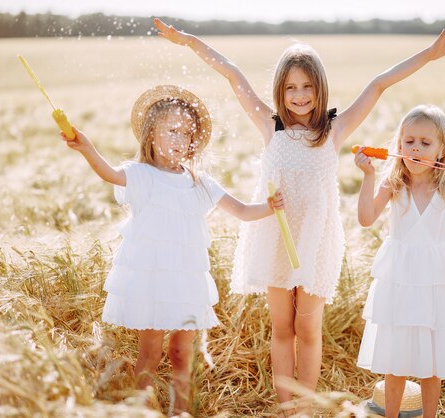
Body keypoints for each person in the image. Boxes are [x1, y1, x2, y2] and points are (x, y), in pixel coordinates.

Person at [154, 18, 445, 416]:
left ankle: (307, 408)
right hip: (275, 237)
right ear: (280, 91)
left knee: (308, 330)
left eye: (307, 86)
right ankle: (287, 409)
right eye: (290, 87)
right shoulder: (271, 127)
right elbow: (232, 74)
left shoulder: (335, 130)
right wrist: (190, 41)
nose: (299, 96)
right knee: (282, 329)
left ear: (320, 89)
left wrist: (430, 54)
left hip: (317, 242)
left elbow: (380, 83)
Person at [60, 85, 284, 414]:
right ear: (151, 134)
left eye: (188, 134)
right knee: (149, 354)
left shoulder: (200, 182)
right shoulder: (140, 175)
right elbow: (108, 173)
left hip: (187, 281)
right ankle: (143, 410)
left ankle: (182, 411)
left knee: (183, 354)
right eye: (173, 131)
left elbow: (243, 212)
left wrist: (270, 206)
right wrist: (87, 148)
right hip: (153, 281)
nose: (182, 140)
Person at [353, 104, 445, 418]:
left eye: (425, 143)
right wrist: (369, 175)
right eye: (409, 141)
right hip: (400, 279)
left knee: (431, 366)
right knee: (395, 363)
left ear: (441, 150)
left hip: (434, 280)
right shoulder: (393, 184)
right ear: (399, 145)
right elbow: (366, 218)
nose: (416, 148)